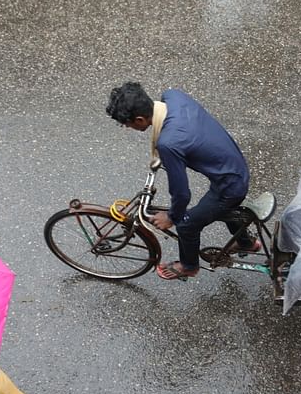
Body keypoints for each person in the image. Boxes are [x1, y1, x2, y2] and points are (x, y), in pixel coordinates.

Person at [106, 82, 259, 281]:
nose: (128, 128)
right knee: (225, 211)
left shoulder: (169, 143)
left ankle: (188, 266)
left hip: (231, 185)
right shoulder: (172, 97)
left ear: (140, 119)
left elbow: (181, 194)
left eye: (127, 124)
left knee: (187, 225)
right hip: (233, 164)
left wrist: (172, 216)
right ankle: (246, 243)